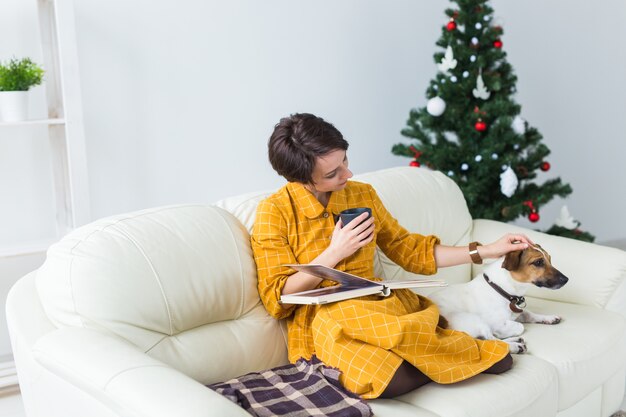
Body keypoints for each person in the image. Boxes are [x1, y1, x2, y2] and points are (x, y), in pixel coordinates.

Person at [251, 113, 532, 399]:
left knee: (395, 346)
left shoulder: (362, 195)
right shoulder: (273, 212)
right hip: (326, 324)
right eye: (332, 173)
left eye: (345, 161)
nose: (347, 174)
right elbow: (277, 298)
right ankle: (452, 356)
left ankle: (441, 355)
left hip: (377, 310)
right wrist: (335, 253)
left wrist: (486, 251)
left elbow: (410, 250)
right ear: (301, 179)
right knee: (380, 379)